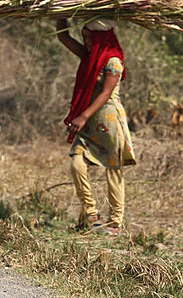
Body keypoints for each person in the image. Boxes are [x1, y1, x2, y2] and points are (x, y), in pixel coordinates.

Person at [55, 17, 135, 235]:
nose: (87, 42)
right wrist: (61, 13)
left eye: (91, 38)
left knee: (113, 170)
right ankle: (91, 213)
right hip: (89, 121)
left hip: (108, 121)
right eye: (85, 38)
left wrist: (82, 116)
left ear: (102, 37)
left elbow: (106, 93)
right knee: (77, 164)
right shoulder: (91, 57)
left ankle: (116, 221)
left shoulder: (113, 61)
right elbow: (63, 37)